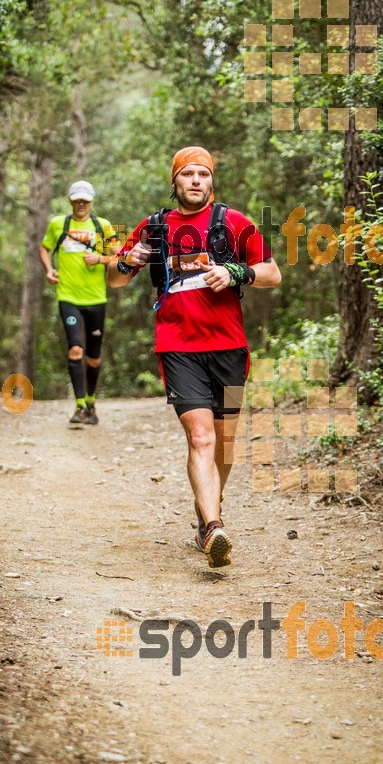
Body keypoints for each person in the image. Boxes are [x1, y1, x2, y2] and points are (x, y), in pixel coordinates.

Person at [108, 146, 281, 567]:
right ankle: (213, 527)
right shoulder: (154, 227)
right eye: (188, 174)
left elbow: (273, 274)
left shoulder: (234, 223)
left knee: (224, 444)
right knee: (200, 437)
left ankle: (206, 513)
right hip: (178, 346)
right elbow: (114, 280)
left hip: (229, 347)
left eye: (203, 173)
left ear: (212, 181)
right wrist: (128, 262)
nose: (196, 180)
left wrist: (237, 271)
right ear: (176, 181)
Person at [40, 180, 120, 425]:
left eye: (85, 200)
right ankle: (79, 406)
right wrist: (48, 269)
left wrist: (99, 258)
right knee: (75, 348)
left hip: (96, 298)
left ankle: (91, 401)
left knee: (94, 357)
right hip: (68, 297)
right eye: (77, 200)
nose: (81, 204)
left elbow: (119, 256)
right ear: (70, 201)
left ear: (92, 201)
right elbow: (44, 248)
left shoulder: (103, 225)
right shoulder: (58, 224)